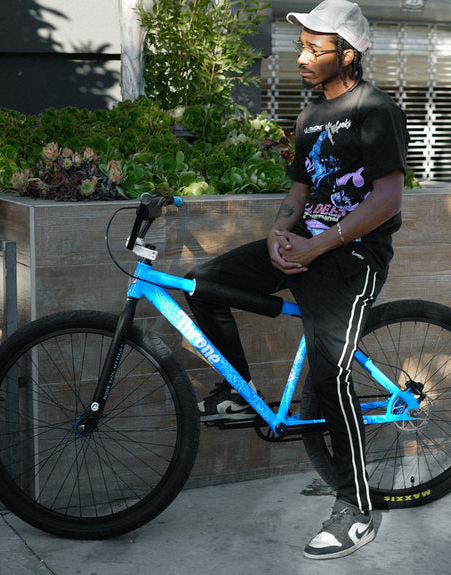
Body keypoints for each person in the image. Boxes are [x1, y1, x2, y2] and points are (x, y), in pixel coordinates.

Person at [185, 0, 409, 560]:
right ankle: (237, 393)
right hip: (305, 244)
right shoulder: (311, 117)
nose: (302, 57)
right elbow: (300, 191)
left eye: (315, 47)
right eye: (300, 46)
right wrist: (277, 234)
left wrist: (316, 244)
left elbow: (387, 198)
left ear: (347, 54)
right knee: (202, 284)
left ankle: (357, 508)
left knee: (330, 373)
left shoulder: (376, 109)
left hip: (353, 256)